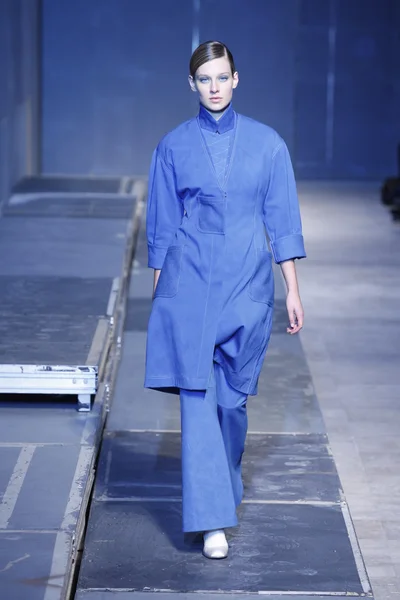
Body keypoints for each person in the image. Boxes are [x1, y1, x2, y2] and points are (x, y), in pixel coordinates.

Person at [144, 41, 306, 559]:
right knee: (198, 398)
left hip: (248, 287)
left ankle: (225, 481)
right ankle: (212, 521)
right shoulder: (172, 147)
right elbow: (163, 225)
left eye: (222, 77)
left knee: (232, 403)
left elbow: (282, 221)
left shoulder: (268, 144)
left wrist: (293, 290)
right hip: (188, 284)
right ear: (191, 85)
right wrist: (160, 292)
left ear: (237, 79)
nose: (214, 87)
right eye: (204, 79)